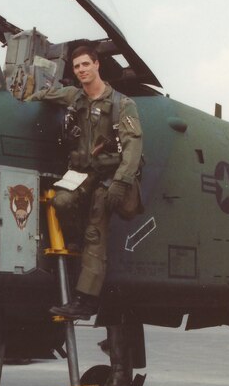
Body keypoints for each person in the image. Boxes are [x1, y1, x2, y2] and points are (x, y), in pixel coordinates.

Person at [27, 45, 143, 320]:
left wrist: (121, 182)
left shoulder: (122, 104)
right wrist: (30, 94)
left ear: (96, 64)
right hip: (83, 174)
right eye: (77, 67)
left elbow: (133, 147)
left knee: (95, 231)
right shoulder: (75, 97)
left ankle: (85, 300)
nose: (81, 70)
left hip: (109, 176)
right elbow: (45, 94)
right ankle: (81, 243)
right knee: (61, 201)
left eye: (85, 65)